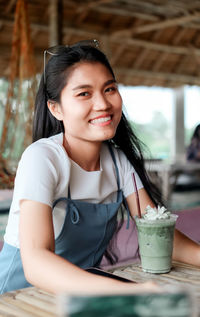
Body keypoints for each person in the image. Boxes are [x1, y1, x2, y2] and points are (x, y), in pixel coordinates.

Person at [0, 40, 199, 295]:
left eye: (109, 89)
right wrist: (126, 292)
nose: (103, 104)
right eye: (84, 93)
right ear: (55, 108)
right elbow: (36, 264)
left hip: (81, 295)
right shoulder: (42, 159)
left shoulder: (118, 163)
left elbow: (158, 233)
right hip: (18, 298)